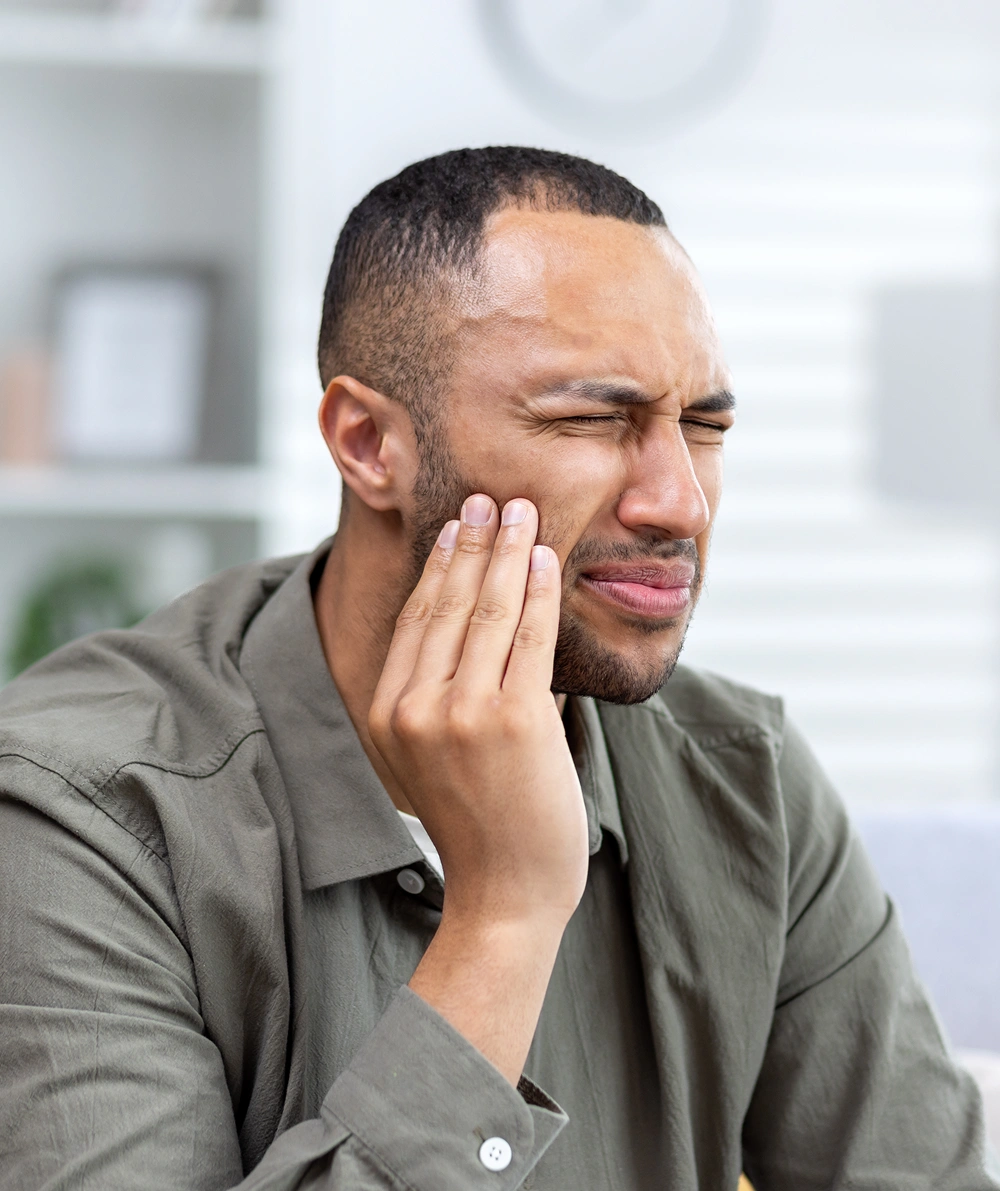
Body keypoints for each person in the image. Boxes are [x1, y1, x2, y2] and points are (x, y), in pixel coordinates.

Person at [0, 147, 995, 1191]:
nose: (681, 503)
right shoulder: (79, 814)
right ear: (368, 442)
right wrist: (506, 915)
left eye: (704, 426)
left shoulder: (745, 777)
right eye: (590, 419)